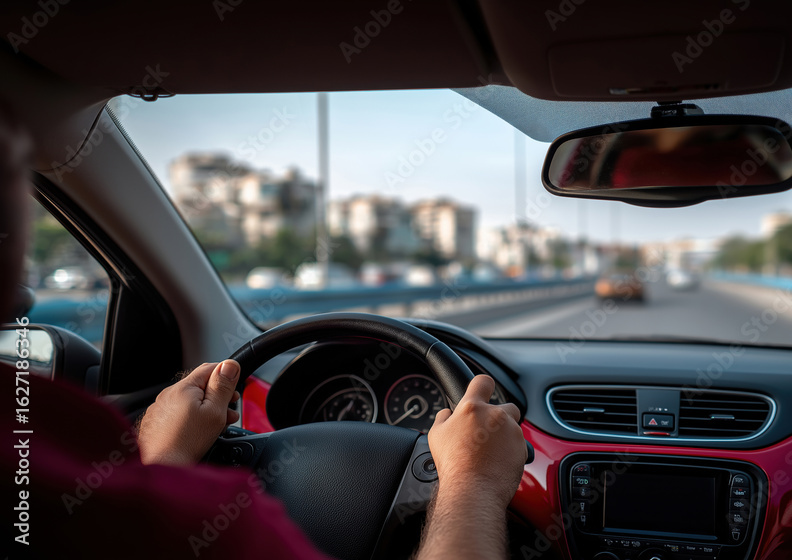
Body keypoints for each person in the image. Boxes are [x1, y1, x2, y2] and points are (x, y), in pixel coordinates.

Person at [0, 101, 527, 558]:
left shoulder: (47, 486)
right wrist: (473, 481)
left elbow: (132, 537)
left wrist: (160, 464)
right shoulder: (215, 518)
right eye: (19, 178)